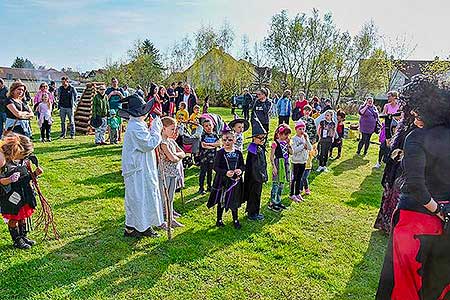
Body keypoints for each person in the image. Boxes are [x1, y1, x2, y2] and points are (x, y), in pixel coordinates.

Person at [376, 76, 450, 300]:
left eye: (416, 113)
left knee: (405, 284)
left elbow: (415, 185)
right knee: (436, 284)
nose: (413, 117)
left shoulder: (415, 137)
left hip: (416, 220)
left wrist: (437, 210)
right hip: (444, 222)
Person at [120, 94, 164, 238]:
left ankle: (137, 226)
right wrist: (156, 129)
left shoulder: (137, 125)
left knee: (139, 197)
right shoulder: (135, 127)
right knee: (140, 198)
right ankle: (139, 227)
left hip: (140, 167)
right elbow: (149, 144)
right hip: (138, 170)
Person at [0, 133, 43, 249]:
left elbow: (25, 177)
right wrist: (9, 179)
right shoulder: (4, 162)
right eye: (24, 155)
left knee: (23, 217)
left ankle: (23, 236)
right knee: (14, 218)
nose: (25, 157)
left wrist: (34, 174)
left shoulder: (22, 161)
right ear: (18, 150)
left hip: (23, 194)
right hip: (10, 196)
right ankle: (17, 240)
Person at [207, 128, 245, 229]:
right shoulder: (220, 153)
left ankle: (235, 219)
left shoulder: (238, 153)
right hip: (223, 181)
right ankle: (219, 219)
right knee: (222, 199)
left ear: (235, 140)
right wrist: (225, 172)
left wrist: (240, 170)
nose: (227, 142)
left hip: (235, 181)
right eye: (224, 140)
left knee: (234, 200)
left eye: (230, 140)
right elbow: (215, 167)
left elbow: (242, 165)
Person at [158, 117, 186, 228]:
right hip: (164, 174)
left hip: (173, 173)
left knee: (171, 196)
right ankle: (161, 219)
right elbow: (171, 158)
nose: (174, 132)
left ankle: (170, 217)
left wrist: (176, 156)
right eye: (172, 129)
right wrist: (176, 156)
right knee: (163, 197)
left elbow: (182, 153)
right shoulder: (162, 143)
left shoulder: (171, 141)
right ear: (164, 129)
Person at [244, 119, 268, 221]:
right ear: (254, 138)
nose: (263, 140)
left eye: (264, 138)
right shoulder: (253, 148)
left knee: (257, 195)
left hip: (259, 177)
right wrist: (259, 177)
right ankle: (252, 214)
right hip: (254, 178)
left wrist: (264, 174)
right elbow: (254, 166)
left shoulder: (259, 147)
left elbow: (263, 163)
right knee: (254, 195)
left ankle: (255, 212)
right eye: (260, 138)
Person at [269, 124, 292, 212]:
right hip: (278, 163)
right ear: (279, 134)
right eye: (285, 134)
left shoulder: (286, 142)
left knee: (281, 184)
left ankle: (278, 201)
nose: (287, 136)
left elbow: (291, 152)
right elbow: (271, 156)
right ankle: (272, 202)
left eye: (288, 135)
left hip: (286, 163)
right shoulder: (275, 143)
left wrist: (288, 144)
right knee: (276, 184)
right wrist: (274, 167)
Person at [290, 120, 312, 202]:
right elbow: (294, 150)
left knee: (300, 178)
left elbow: (310, 148)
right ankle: (292, 194)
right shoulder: (293, 139)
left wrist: (307, 140)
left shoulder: (305, 138)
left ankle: (297, 193)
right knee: (294, 178)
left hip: (303, 161)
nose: (302, 131)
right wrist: (303, 146)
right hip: (296, 161)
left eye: (303, 129)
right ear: (296, 129)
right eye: (300, 129)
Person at [198, 118, 220, 194]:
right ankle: (201, 188)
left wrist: (209, 145)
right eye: (206, 126)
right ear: (203, 127)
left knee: (210, 173)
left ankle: (209, 186)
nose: (208, 127)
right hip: (204, 158)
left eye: (210, 125)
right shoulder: (203, 135)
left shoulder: (215, 135)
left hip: (213, 158)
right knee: (203, 173)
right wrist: (213, 145)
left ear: (213, 126)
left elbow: (218, 144)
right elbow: (203, 145)